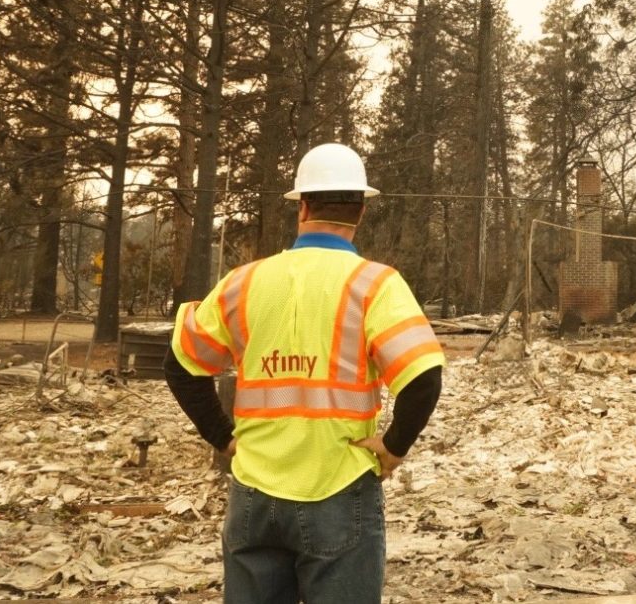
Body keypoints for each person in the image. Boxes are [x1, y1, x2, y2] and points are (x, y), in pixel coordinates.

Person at [165, 143, 444, 604]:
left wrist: (223, 437)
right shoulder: (375, 284)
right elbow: (424, 376)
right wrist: (394, 447)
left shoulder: (244, 281)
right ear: (360, 212)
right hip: (339, 487)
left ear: (304, 206)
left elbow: (180, 363)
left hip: (254, 492)